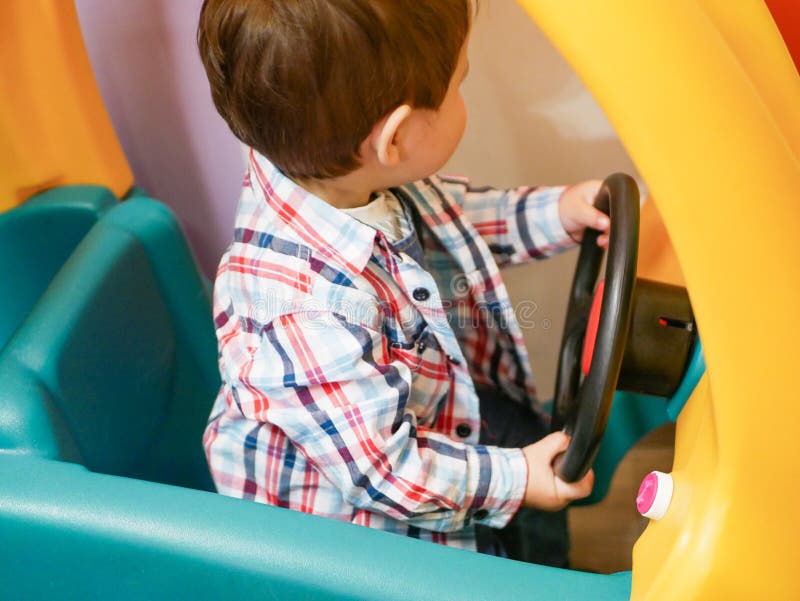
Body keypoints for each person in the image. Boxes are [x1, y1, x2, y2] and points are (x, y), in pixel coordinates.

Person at [197, 0, 605, 565]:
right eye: (460, 83)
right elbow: (388, 472)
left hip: (437, 413)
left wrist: (557, 212)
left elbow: (449, 221)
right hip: (373, 533)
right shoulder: (302, 312)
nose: (466, 94)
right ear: (394, 140)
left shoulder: (323, 167)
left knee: (535, 440)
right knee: (532, 499)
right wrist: (515, 478)